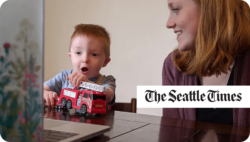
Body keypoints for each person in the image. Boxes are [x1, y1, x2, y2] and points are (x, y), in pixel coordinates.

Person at [163, 0, 250, 126]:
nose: (169, 23)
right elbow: (172, 135)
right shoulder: (173, 66)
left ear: (210, 8)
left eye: (175, 9)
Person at [44, 24, 116, 108]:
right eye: (78, 53)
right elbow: (39, 90)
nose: (85, 59)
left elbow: (109, 95)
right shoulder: (64, 77)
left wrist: (87, 84)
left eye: (94, 54)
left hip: (95, 121)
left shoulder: (107, 81)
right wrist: (46, 94)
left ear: (105, 62)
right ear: (71, 57)